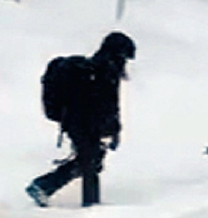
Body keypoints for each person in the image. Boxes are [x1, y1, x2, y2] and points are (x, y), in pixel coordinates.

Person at [26, 31, 136, 207]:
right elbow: (108, 106)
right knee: (90, 164)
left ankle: (44, 187)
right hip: (83, 125)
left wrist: (112, 130)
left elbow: (107, 107)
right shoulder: (104, 72)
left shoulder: (99, 70)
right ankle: (90, 206)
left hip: (78, 124)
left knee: (92, 162)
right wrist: (113, 130)